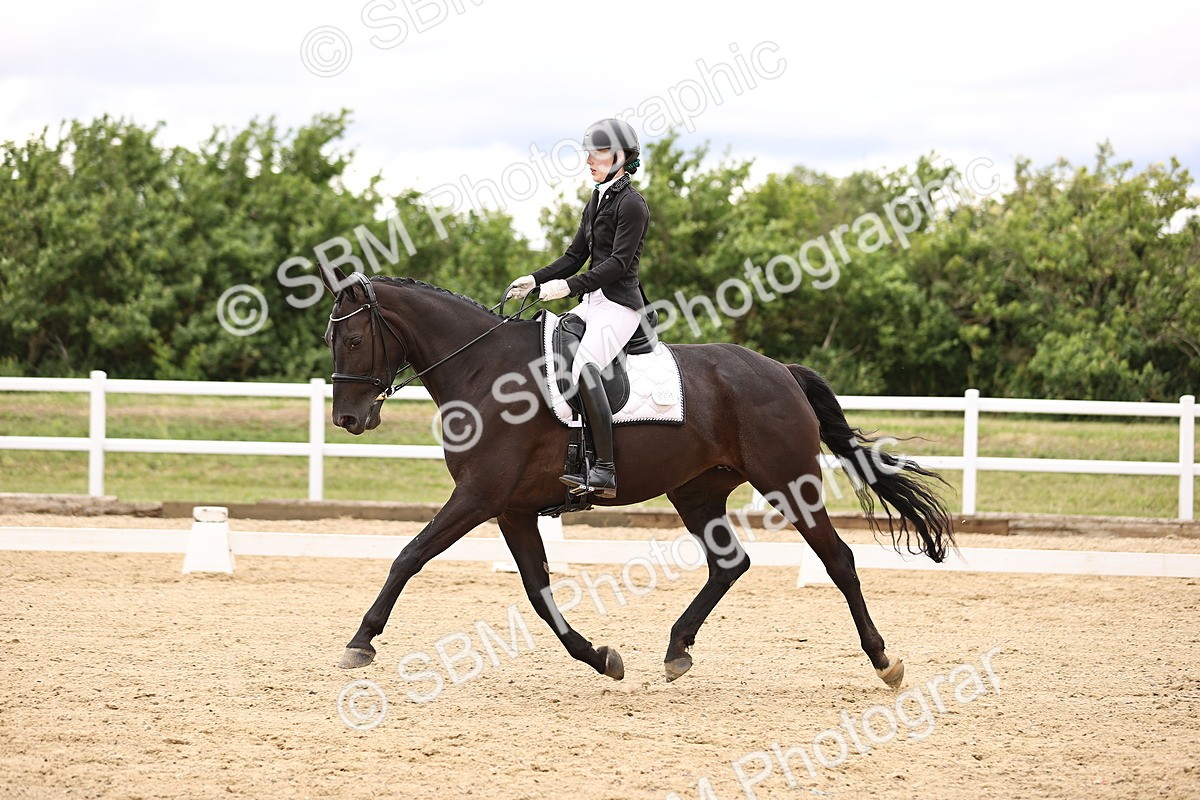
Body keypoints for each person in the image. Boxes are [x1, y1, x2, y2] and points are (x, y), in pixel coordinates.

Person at [505, 118, 650, 499]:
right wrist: (534, 280)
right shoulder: (597, 198)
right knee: (551, 344)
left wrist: (567, 287)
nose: (589, 159)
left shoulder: (632, 204)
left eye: (598, 152)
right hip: (593, 303)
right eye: (589, 152)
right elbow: (575, 255)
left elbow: (618, 264)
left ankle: (604, 469)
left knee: (584, 365)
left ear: (621, 157)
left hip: (619, 305)